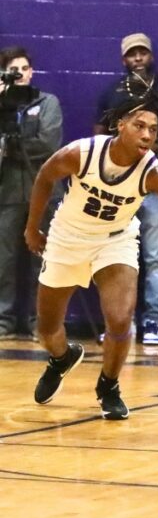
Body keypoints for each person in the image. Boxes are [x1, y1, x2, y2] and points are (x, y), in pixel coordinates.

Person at [27, 101, 158, 419]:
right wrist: (33, 229)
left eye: (153, 130)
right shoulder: (82, 153)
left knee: (119, 318)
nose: (147, 135)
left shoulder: (154, 173)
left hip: (115, 240)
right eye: (140, 126)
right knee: (47, 328)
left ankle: (109, 386)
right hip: (67, 237)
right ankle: (61, 358)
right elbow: (45, 177)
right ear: (120, 125)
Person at [93, 32, 158, 346]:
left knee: (155, 257)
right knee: (114, 257)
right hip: (117, 186)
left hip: (154, 183)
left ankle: (153, 321)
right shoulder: (113, 93)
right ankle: (119, 323)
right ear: (124, 59)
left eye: (142, 53)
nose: (137, 58)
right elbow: (98, 134)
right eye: (131, 54)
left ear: (151, 56)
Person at [0, 46, 62, 339]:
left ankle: (43, 322)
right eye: (13, 70)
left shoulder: (47, 102)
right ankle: (4, 320)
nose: (20, 74)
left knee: (45, 259)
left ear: (31, 71)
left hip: (44, 188)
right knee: (5, 258)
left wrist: (11, 146)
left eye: (24, 69)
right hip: (8, 190)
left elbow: (48, 144)